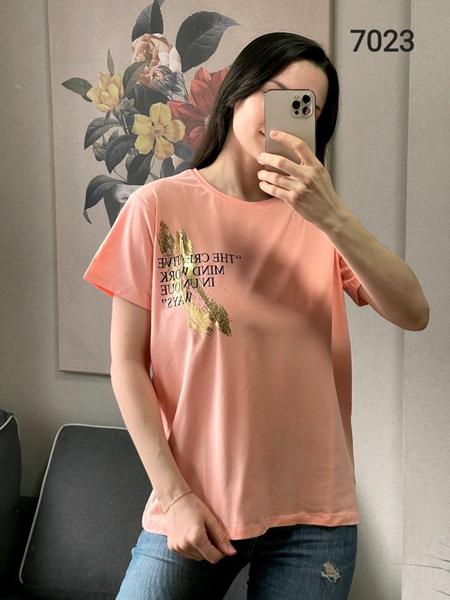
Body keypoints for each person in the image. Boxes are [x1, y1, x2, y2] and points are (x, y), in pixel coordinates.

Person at [82, 31, 428, 600]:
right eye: (275, 94)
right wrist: (174, 495)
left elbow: (413, 312)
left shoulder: (321, 221)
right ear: (237, 93)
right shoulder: (157, 207)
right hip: (197, 502)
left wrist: (332, 215)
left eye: (305, 106)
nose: (286, 114)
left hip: (315, 514)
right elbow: (127, 364)